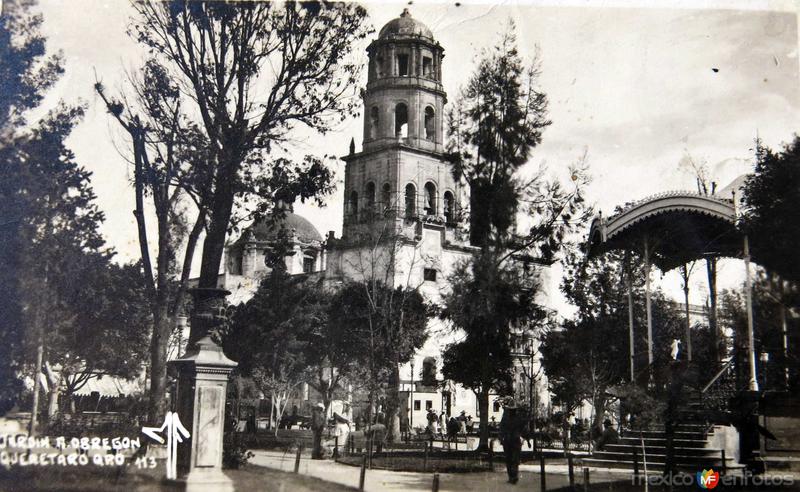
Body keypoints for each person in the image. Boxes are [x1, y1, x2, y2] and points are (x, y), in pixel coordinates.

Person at [499, 398, 528, 484]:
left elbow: (502, 428)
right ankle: (512, 476)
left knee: (511, 459)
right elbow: (523, 428)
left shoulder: (508, 417)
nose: (512, 411)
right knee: (512, 459)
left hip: (511, 440)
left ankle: (513, 476)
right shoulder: (517, 417)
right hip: (513, 440)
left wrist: (501, 437)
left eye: (513, 409)